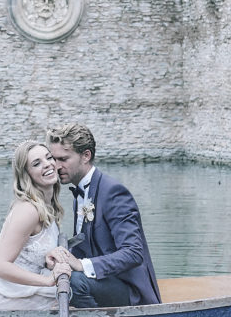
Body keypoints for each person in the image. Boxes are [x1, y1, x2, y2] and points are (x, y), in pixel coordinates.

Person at [45, 123, 162, 307]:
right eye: (54, 159)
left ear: (86, 156)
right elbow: (85, 248)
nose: (56, 166)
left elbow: (133, 253)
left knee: (74, 282)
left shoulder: (113, 192)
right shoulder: (80, 193)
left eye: (63, 159)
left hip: (129, 290)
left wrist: (82, 265)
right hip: (104, 282)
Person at [0, 141, 73, 310]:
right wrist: (48, 281)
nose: (47, 164)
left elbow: (30, 249)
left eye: (49, 158)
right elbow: (0, 266)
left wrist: (47, 257)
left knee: (73, 293)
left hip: (21, 286)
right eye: (36, 163)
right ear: (26, 174)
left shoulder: (48, 204)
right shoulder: (29, 210)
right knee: (66, 303)